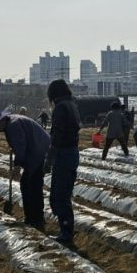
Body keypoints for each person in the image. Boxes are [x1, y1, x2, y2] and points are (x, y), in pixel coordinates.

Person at [0, 108, 50, 229]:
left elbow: (20, 146)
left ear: (0, 121)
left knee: (29, 185)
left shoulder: (13, 125)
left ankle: (34, 219)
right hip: (38, 151)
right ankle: (34, 218)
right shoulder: (11, 122)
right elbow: (19, 143)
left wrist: (17, 166)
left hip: (38, 152)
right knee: (32, 185)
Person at [46, 79, 80, 243]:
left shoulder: (60, 108)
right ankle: (66, 230)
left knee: (59, 196)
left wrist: (49, 159)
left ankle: (66, 233)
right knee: (64, 194)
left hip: (63, 154)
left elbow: (57, 135)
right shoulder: (72, 105)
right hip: (72, 152)